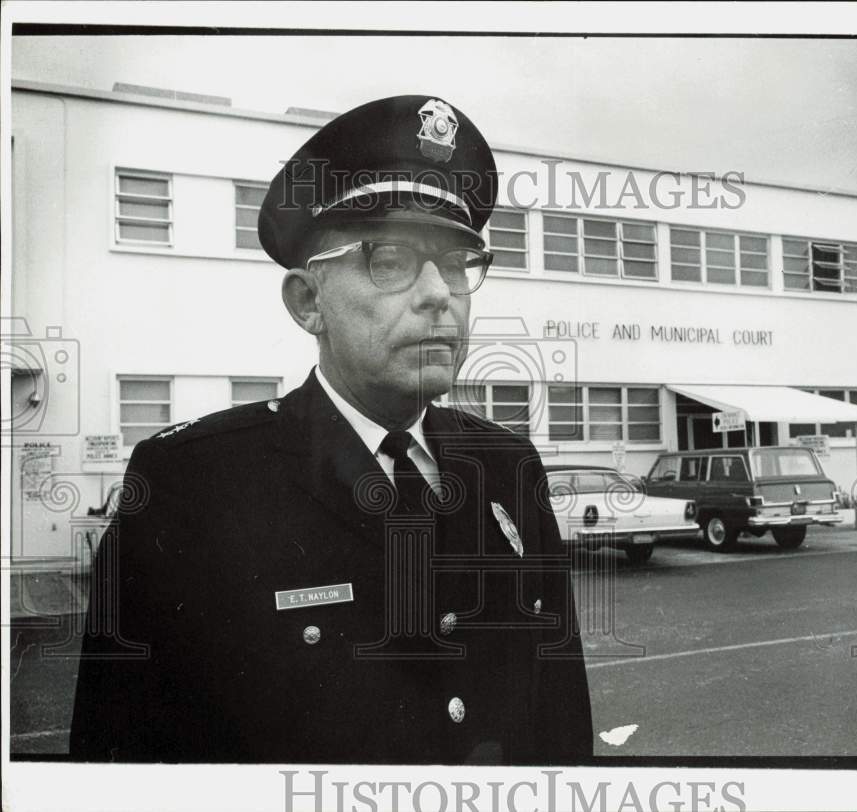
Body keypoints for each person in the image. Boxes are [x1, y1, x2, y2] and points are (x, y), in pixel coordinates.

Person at [70, 95, 594, 764]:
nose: (440, 294)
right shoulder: (193, 487)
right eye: (392, 261)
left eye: (458, 264)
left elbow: (561, 725)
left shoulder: (506, 465)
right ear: (309, 302)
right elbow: (121, 762)